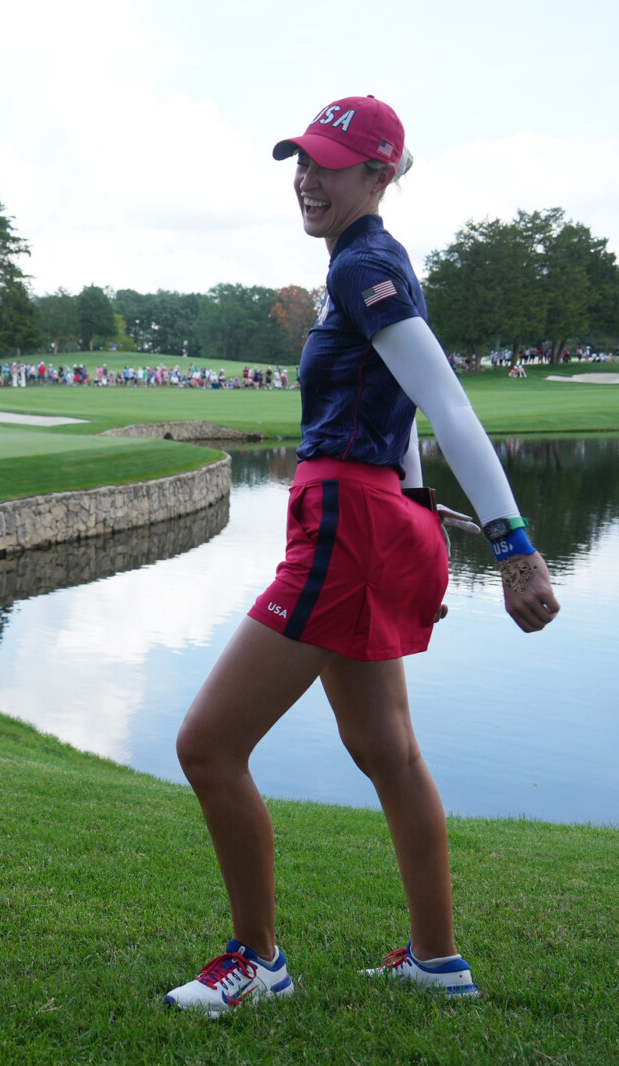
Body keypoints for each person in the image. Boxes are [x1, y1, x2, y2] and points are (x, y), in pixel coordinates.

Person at [162, 95, 561, 1016]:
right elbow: (402, 421)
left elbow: (449, 404)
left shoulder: (366, 267)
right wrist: (417, 519)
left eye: (330, 164)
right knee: (386, 749)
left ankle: (257, 961)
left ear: (379, 175)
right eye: (301, 161)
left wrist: (516, 549)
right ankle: (436, 962)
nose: (308, 178)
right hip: (367, 519)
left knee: (207, 746)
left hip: (346, 525)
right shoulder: (366, 262)